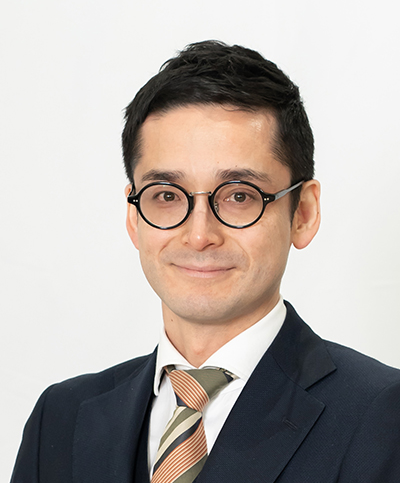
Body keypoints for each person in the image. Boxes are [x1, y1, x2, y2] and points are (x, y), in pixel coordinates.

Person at [11, 40, 400, 483]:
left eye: (239, 196)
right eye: (166, 196)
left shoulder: (383, 419)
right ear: (134, 217)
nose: (199, 236)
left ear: (304, 214)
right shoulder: (61, 419)